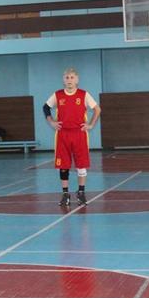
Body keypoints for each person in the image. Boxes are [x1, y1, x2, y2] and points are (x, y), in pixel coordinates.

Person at [43, 67, 101, 208]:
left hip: (79, 133)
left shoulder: (83, 94)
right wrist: (51, 121)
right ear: (63, 80)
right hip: (63, 134)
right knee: (63, 166)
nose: (69, 80)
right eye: (67, 77)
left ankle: (81, 192)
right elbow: (45, 107)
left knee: (81, 164)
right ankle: (65, 194)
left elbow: (97, 109)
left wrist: (91, 124)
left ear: (77, 80)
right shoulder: (58, 95)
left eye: (72, 77)